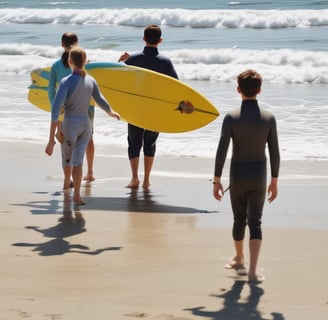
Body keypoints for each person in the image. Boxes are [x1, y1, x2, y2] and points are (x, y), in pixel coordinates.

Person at [212, 69, 280, 283]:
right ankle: (252, 272)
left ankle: (239, 257)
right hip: (259, 175)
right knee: (256, 221)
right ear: (260, 90)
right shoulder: (269, 118)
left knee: (239, 219)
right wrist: (274, 181)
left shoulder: (231, 117)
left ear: (238, 89)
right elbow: (275, 152)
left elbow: (221, 149)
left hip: (237, 174)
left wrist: (216, 180)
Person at [45, 47, 120, 205]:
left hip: (70, 124)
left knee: (67, 157)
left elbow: (55, 110)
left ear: (69, 62)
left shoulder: (66, 82)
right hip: (85, 125)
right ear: (85, 62)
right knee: (78, 161)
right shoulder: (90, 80)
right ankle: (77, 195)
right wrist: (111, 112)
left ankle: (67, 182)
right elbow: (100, 100)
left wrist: (51, 139)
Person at [118, 25, 178, 189]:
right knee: (150, 143)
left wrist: (123, 61)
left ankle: (134, 178)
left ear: (143, 39)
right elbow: (176, 86)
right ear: (160, 40)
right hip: (155, 109)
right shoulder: (165, 62)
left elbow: (120, 80)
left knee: (134, 142)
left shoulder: (133, 60)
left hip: (136, 108)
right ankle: (146, 180)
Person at [48, 32, 96, 182]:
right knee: (88, 138)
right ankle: (89, 172)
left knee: (66, 142)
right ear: (77, 43)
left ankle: (68, 178)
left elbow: (50, 90)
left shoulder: (56, 66)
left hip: (64, 109)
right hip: (85, 107)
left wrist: (56, 108)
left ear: (62, 45)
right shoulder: (86, 63)